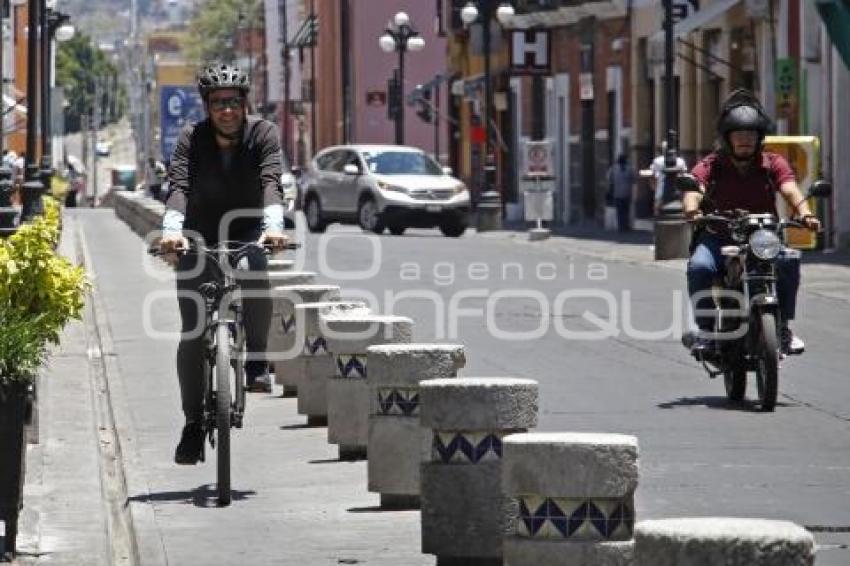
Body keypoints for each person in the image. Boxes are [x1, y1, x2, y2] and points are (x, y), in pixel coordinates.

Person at [159, 63, 288, 465]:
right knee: (193, 332)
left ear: (244, 103)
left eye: (233, 102)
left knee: (254, 266)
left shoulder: (262, 133)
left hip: (248, 229)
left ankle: (257, 363)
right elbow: (178, 186)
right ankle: (193, 424)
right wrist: (171, 231)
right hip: (197, 234)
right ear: (207, 106)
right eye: (218, 103)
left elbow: (271, 181)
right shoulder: (190, 138)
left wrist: (274, 227)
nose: (226, 110)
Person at [683, 89, 820, 356]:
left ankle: (782, 328)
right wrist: (692, 210)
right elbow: (694, 188)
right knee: (699, 267)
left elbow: (790, 189)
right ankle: (707, 331)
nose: (745, 140)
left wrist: (806, 214)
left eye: (751, 135)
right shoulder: (712, 165)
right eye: (739, 135)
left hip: (762, 237)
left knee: (788, 261)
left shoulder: (773, 162)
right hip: (718, 236)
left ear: (759, 138)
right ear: (727, 138)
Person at [650, 142, 688, 215]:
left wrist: (654, 188)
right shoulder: (680, 161)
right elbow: (684, 176)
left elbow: (653, 176)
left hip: (660, 191)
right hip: (678, 192)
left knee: (658, 212)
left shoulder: (657, 161)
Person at [606, 153, 635, 232]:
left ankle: (621, 226)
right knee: (626, 210)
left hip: (617, 193)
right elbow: (634, 179)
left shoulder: (613, 168)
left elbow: (609, 178)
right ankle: (625, 226)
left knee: (619, 211)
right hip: (627, 192)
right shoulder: (629, 169)